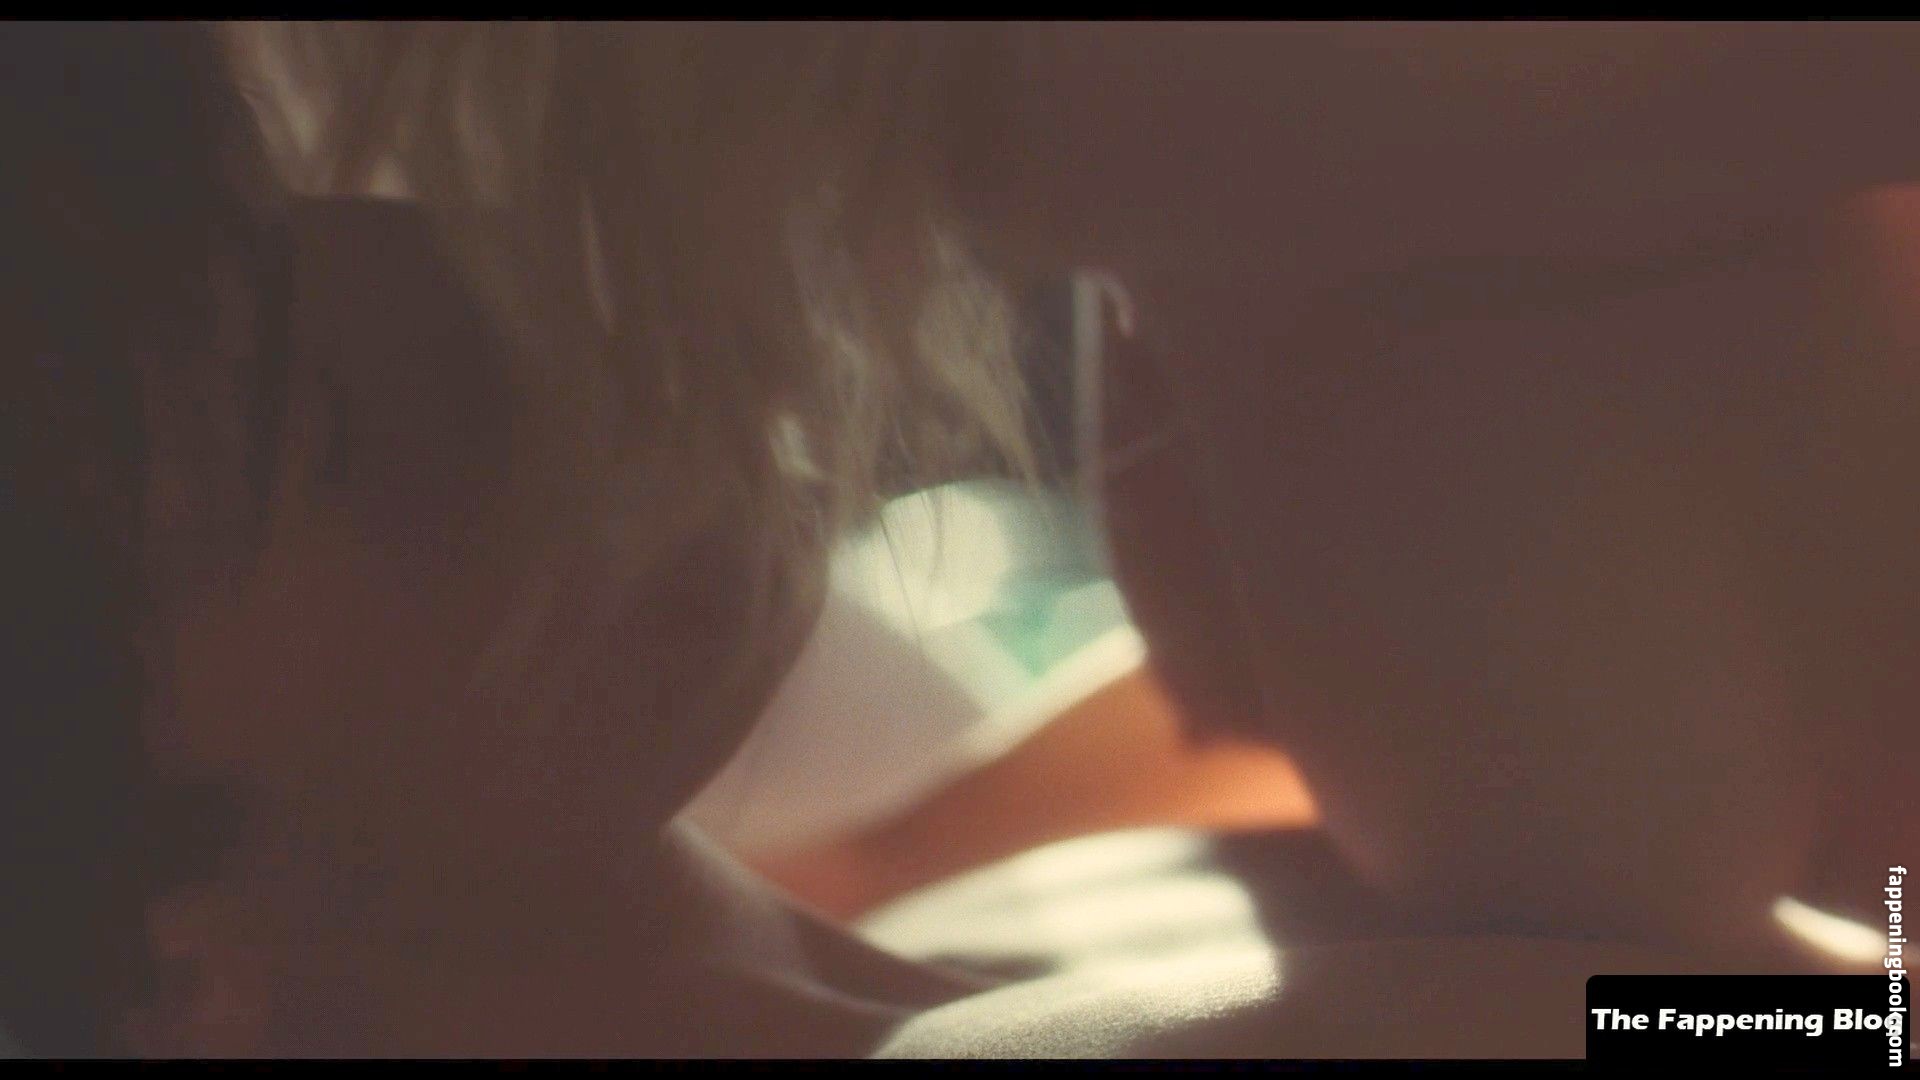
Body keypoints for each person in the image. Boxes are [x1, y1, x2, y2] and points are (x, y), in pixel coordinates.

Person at [4, 20, 1918, 1058]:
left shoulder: (914, 905)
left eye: (303, 229)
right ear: (171, 981)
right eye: (327, 447)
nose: (488, 309)